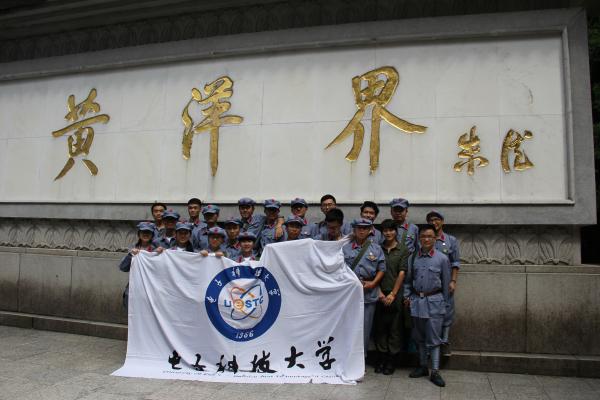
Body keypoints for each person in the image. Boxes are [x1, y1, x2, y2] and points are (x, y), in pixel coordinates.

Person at [403, 224, 450, 387]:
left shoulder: (442, 259)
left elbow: (446, 285)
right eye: (423, 236)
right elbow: (408, 281)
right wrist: (407, 296)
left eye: (430, 236)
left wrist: (445, 306)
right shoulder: (412, 258)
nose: (426, 239)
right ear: (419, 239)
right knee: (420, 338)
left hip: (435, 303)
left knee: (434, 339)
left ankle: (435, 371)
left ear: (435, 238)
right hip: (417, 302)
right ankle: (423, 366)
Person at [342, 218, 386, 352]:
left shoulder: (376, 248)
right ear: (354, 230)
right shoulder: (345, 248)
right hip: (350, 292)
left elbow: (382, 269)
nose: (362, 231)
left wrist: (373, 283)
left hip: (368, 292)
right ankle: (348, 355)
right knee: (349, 326)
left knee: (365, 327)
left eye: (365, 228)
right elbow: (340, 269)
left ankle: (362, 357)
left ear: (370, 231)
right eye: (359, 228)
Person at [373, 219, 409, 375]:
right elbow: (373, 271)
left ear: (396, 231)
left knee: (395, 329)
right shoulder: (377, 248)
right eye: (385, 230)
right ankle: (381, 358)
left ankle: (391, 360)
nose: (388, 233)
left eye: (391, 230)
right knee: (380, 328)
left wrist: (393, 294)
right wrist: (379, 292)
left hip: (396, 294)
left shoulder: (403, 250)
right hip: (379, 292)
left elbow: (402, 272)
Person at [426, 210, 460, 353]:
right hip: (430, 280)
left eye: (436, 219)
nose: (434, 222)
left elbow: (455, 263)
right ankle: (431, 343)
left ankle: (445, 340)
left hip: (445, 280)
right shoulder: (426, 238)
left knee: (447, 307)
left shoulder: (451, 240)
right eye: (431, 220)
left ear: (442, 221)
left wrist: (453, 280)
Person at [118, 221, 157, 309]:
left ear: (152, 235)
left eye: (148, 232)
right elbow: (123, 268)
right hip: (134, 288)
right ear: (139, 234)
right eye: (143, 232)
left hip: (150, 290)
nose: (145, 234)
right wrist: (130, 255)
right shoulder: (133, 248)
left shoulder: (156, 250)